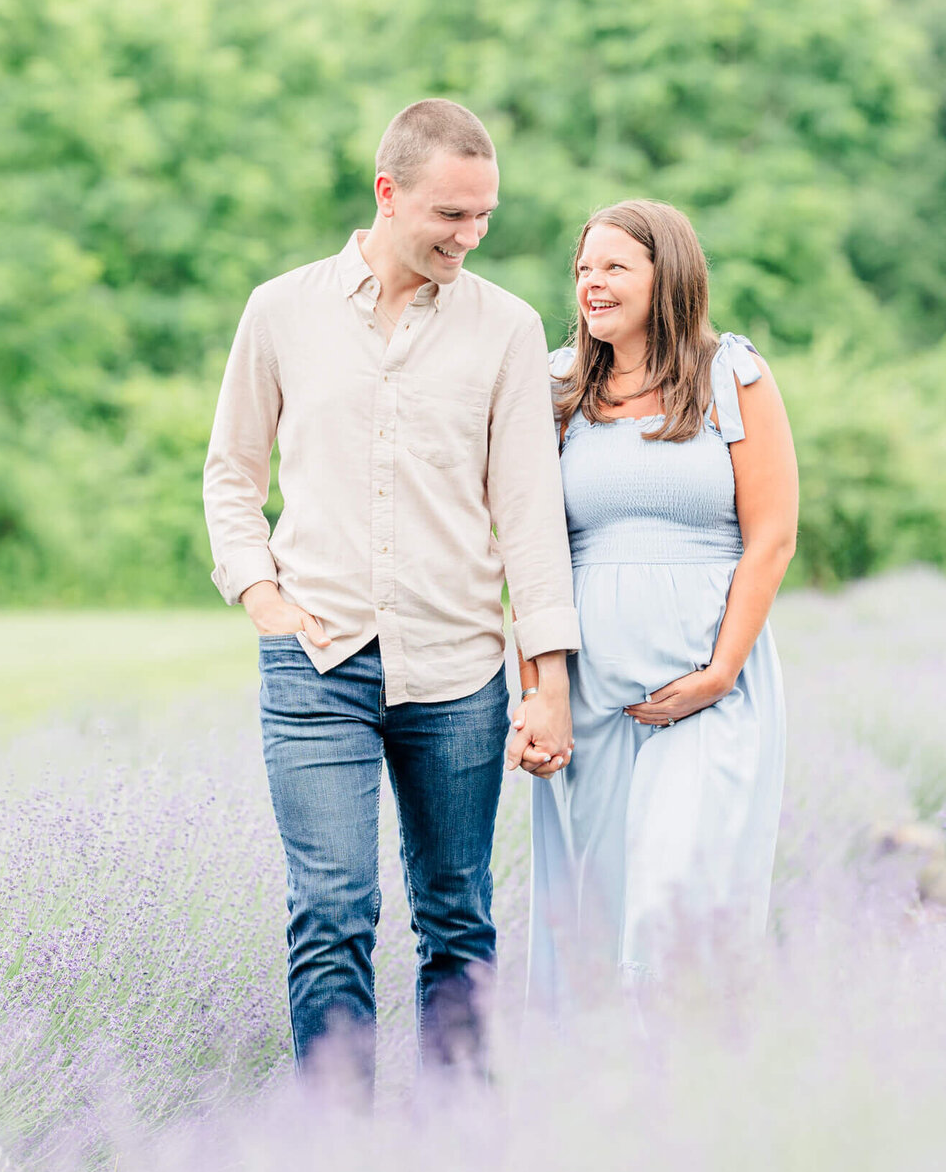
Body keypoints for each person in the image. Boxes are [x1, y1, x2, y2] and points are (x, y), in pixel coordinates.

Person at [204, 99, 579, 1085]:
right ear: (388, 192)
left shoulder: (507, 327)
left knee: (458, 911)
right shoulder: (279, 311)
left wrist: (547, 678)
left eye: (483, 216)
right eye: (451, 215)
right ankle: (341, 1162)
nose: (471, 235)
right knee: (330, 910)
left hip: (459, 670)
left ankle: (454, 1154)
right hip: (315, 661)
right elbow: (230, 472)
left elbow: (530, 513)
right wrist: (261, 597)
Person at [508, 200, 798, 999]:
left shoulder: (731, 375)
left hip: (709, 694)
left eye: (613, 267)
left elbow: (771, 537)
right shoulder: (556, 388)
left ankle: (695, 1091)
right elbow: (532, 552)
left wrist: (719, 672)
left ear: (666, 276)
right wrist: (539, 693)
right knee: (597, 919)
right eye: (582, 269)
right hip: (592, 696)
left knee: (676, 900)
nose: (590, 284)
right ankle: (607, 1106)